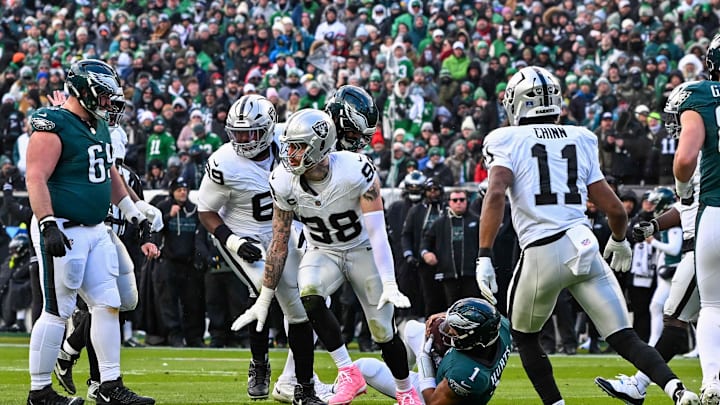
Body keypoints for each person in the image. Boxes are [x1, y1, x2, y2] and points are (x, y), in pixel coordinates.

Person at [475, 66, 699, 405]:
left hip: (542, 250)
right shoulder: (581, 136)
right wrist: (620, 239)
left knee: (525, 336)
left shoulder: (503, 138)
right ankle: (677, 391)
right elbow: (615, 209)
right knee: (625, 337)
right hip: (584, 244)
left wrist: (485, 254)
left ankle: (556, 403)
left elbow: (495, 195)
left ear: (517, 103)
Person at [232, 109, 421, 405]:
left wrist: (389, 281)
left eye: (297, 146)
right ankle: (348, 370)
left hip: (363, 251)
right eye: (289, 145)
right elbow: (279, 242)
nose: (289, 153)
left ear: (319, 146)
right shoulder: (282, 180)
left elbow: (378, 231)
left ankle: (406, 390)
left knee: (383, 331)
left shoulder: (355, 169)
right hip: (324, 251)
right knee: (308, 294)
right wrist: (264, 298)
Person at [25, 59, 155, 404]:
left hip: (96, 230)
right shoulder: (53, 123)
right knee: (58, 310)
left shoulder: (96, 125)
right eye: (103, 96)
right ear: (83, 91)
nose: (109, 104)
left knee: (108, 304)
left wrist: (133, 212)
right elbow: (35, 177)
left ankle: (109, 385)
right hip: (64, 229)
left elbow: (107, 173)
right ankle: (39, 391)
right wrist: (47, 222)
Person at [197, 95, 330, 404]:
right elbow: (205, 211)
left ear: (270, 129)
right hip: (244, 234)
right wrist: (233, 241)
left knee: (305, 302)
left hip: (285, 229)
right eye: (237, 133)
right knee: (263, 290)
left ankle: (299, 383)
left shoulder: (290, 141)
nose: (242, 140)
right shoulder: (224, 161)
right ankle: (260, 363)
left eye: (250, 133)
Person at [596, 156, 702, 405]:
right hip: (703, 245)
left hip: (703, 247)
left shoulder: (700, 156)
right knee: (700, 317)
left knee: (677, 320)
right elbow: (687, 205)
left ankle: (640, 385)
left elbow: (690, 203)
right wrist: (655, 225)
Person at [669, 36, 720, 403]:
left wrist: (682, 188)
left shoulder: (700, 95)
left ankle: (713, 382)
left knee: (714, 305)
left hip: (716, 209)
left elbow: (685, 161)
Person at [353, 297, 512, 405]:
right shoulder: (500, 327)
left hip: (438, 395)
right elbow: (481, 314)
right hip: (452, 368)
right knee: (412, 328)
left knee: (364, 367)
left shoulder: (467, 375)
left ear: (472, 338)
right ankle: (401, 372)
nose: (448, 330)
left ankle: (408, 394)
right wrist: (448, 315)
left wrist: (424, 360)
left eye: (454, 330)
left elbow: (433, 401)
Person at [421, 189, 481, 305]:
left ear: (467, 201)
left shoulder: (476, 220)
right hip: (448, 274)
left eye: (462, 200)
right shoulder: (440, 223)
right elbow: (426, 241)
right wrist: (426, 253)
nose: (459, 202)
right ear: (449, 202)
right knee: (452, 310)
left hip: (471, 274)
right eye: (455, 200)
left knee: (472, 308)